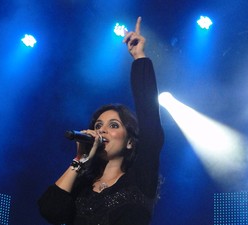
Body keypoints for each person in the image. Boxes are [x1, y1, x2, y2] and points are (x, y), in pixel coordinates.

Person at [38, 17, 164, 225]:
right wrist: (79, 160)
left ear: (130, 141)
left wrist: (139, 57)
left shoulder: (141, 178)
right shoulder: (83, 187)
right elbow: (50, 211)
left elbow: (150, 121)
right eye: (98, 126)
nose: (102, 130)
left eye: (113, 125)